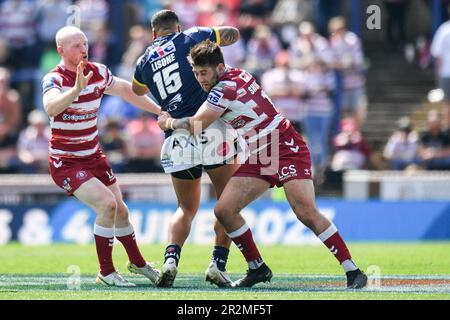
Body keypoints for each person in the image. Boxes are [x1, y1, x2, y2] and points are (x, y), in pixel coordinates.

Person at [157, 39, 368, 289]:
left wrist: (168, 123)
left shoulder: (222, 89)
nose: (200, 78)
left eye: (203, 72)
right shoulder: (239, 74)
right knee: (224, 210)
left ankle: (353, 271)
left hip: (284, 147)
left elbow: (196, 124)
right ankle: (257, 267)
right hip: (261, 155)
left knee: (306, 212)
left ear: (220, 68)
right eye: (195, 73)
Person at [41, 26, 162, 287]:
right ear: (61, 50)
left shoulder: (98, 72)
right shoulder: (55, 79)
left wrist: (159, 111)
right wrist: (75, 90)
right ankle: (106, 272)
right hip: (66, 161)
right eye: (75, 45)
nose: (83, 49)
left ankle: (138, 263)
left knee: (122, 212)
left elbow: (128, 91)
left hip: (93, 155)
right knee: (107, 205)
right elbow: (50, 106)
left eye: (84, 43)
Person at [131, 9, 241, 288]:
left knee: (185, 208)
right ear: (177, 27)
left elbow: (137, 90)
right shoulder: (191, 37)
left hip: (176, 133)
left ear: (153, 33)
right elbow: (233, 34)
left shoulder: (143, 60)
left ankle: (170, 260)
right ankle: (218, 264)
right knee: (227, 204)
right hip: (210, 127)